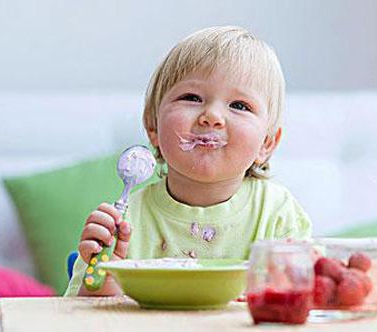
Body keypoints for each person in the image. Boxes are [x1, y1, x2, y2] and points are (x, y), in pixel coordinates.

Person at [65, 26, 312, 296]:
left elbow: (302, 305)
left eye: (239, 105)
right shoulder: (123, 225)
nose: (212, 116)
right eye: (192, 98)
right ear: (153, 127)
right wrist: (102, 286)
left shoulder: (278, 214)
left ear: (267, 143)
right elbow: (78, 318)